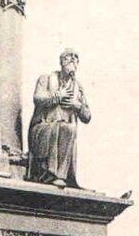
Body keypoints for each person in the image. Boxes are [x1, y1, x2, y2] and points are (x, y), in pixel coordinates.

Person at [26, 50, 91, 188]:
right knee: (60, 128)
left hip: (65, 129)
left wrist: (77, 105)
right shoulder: (46, 79)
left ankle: (60, 176)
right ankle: (50, 173)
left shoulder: (78, 87)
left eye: (75, 58)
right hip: (43, 126)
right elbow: (38, 98)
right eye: (68, 57)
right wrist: (57, 96)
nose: (72, 59)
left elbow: (87, 116)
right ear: (61, 62)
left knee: (68, 128)